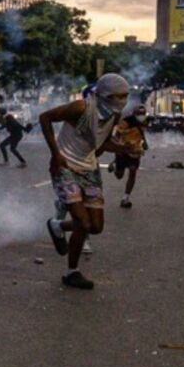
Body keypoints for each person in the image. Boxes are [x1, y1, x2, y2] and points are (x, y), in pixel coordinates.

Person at [40, 74, 132, 290]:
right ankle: (72, 272)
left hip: (89, 170)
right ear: (107, 94)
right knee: (82, 222)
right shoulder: (81, 108)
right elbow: (45, 118)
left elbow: (100, 146)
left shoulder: (114, 116)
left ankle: (58, 225)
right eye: (120, 95)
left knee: (96, 226)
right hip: (65, 167)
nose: (124, 100)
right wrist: (56, 154)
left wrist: (123, 148)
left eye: (126, 96)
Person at [110, 104, 149, 209]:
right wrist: (117, 147)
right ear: (134, 114)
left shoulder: (144, 123)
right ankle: (114, 166)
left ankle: (125, 197)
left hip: (135, 151)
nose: (142, 116)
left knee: (132, 171)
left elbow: (141, 132)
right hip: (123, 151)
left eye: (143, 114)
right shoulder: (126, 122)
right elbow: (117, 135)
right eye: (139, 114)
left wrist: (144, 142)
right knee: (119, 175)